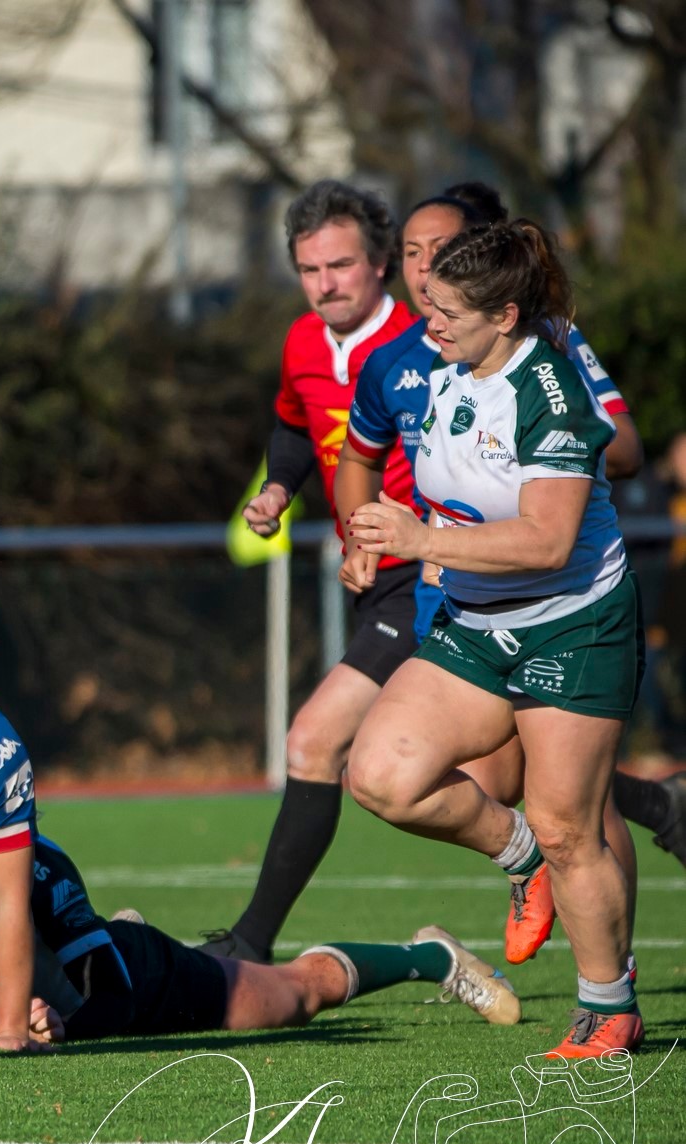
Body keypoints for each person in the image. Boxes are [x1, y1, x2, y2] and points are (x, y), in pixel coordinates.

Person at [0, 566, 517, 1055]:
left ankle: (427, 957)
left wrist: (13, 1030)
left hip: (25, 939)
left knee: (283, 998)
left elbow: (6, 907)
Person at [209, 183, 684, 963]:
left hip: (527, 593)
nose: (424, 275)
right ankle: (608, 825)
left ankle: (609, 977)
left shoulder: (532, 351)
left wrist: (539, 458)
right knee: (491, 786)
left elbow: (605, 460)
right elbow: (340, 447)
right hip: (443, 585)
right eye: (414, 257)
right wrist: (339, 518)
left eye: (439, 255)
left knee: (560, 803)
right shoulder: (390, 357)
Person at [346, 220, 642, 1059]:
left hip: (573, 620)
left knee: (567, 822)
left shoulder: (549, 391)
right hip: (477, 621)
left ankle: (607, 1008)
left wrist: (422, 543)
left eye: (445, 312)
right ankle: (521, 861)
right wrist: (380, 532)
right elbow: (451, 497)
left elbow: (548, 540)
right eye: (427, 304)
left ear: (505, 315)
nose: (426, 324)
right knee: (381, 777)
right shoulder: (443, 369)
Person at [211, 181, 421, 963]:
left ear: (380, 266)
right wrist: (276, 488)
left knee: (312, 741)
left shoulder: (424, 345)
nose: (325, 284)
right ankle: (653, 803)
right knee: (502, 772)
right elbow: (295, 424)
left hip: (430, 577)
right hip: (372, 579)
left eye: (340, 265)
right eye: (309, 269)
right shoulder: (304, 343)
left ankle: (249, 944)